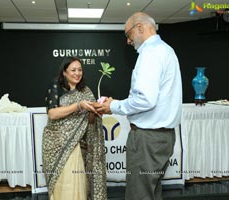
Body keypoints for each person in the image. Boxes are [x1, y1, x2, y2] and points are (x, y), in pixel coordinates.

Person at [96, 12, 182, 200]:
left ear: (140, 28)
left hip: (147, 140)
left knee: (139, 194)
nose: (128, 41)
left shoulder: (150, 54)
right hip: (164, 138)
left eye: (128, 34)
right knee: (152, 192)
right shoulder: (167, 50)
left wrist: (114, 106)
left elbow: (146, 99)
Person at [42, 57, 107, 200]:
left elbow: (90, 123)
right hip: (57, 142)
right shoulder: (56, 86)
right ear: (64, 72)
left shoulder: (85, 91)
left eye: (80, 70)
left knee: (76, 182)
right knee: (63, 182)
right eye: (73, 70)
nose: (77, 73)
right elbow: (52, 114)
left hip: (78, 144)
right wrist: (78, 105)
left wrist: (95, 111)